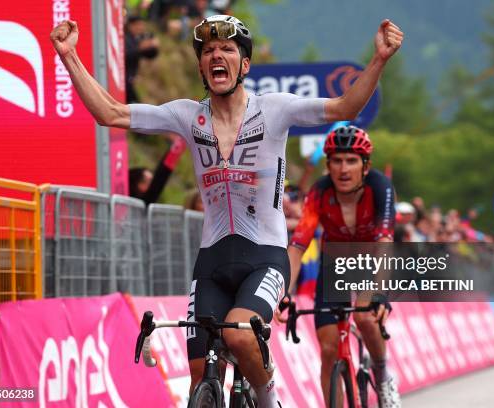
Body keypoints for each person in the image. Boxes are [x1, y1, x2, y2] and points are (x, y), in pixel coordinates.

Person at [50, 15, 403, 407]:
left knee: (238, 333)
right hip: (212, 262)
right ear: (201, 66)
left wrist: (379, 60)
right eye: (208, 51)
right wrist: (69, 57)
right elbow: (111, 113)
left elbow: (345, 106)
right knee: (200, 372)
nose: (217, 55)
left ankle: (271, 402)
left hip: (265, 258)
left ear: (244, 65)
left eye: (227, 49)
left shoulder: (276, 110)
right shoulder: (187, 116)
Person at [281, 125, 401, 407]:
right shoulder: (319, 192)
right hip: (334, 264)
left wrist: (380, 293)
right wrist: (283, 292)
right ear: (328, 164)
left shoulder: (380, 187)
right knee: (327, 348)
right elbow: (297, 245)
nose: (343, 168)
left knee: (364, 316)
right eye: (336, 160)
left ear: (365, 165)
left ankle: (383, 376)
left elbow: (385, 242)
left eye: (351, 160)